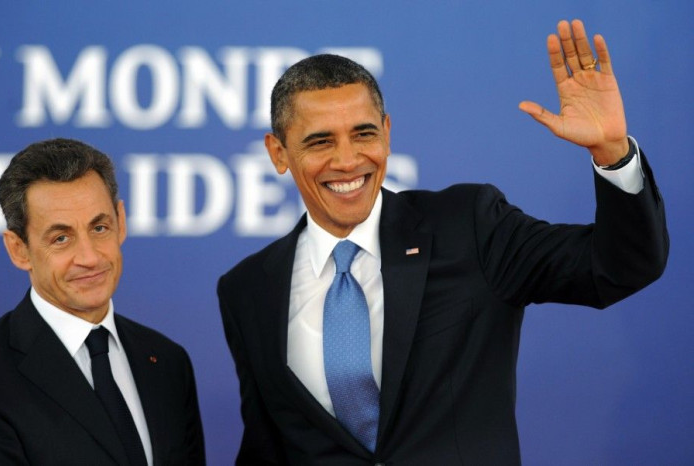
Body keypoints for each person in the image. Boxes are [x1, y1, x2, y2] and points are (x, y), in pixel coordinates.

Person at [217, 19, 669, 464]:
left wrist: (613, 154)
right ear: (279, 153)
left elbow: (618, 267)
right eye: (320, 142)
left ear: (388, 134)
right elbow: (266, 447)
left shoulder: (469, 226)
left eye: (364, 134)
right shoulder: (249, 288)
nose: (348, 159)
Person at [0, 138, 206, 465]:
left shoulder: (167, 362)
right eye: (61, 238)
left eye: (99, 227)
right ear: (18, 249)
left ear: (121, 221)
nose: (89, 257)